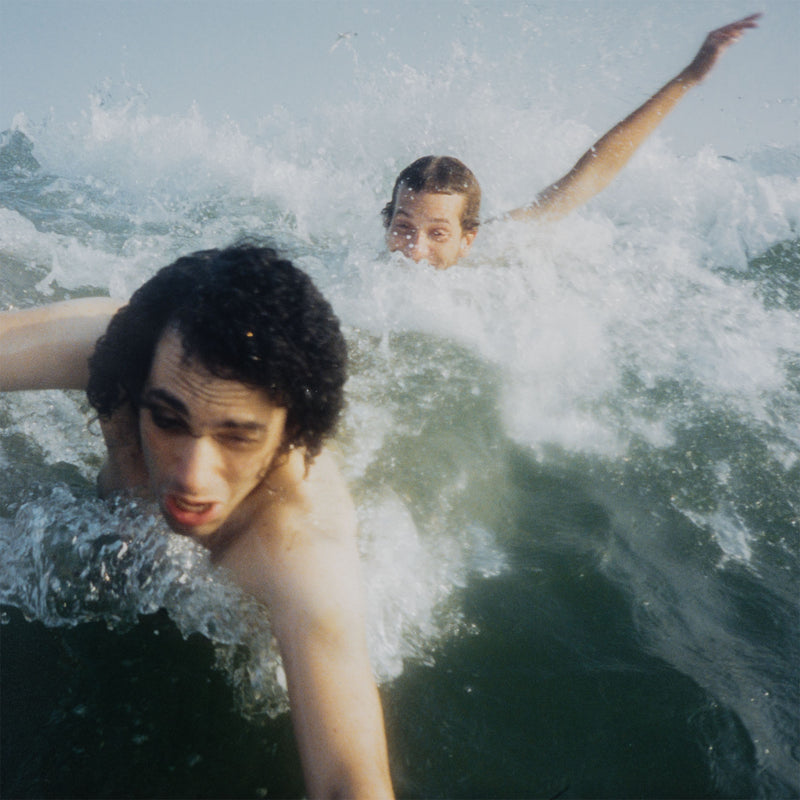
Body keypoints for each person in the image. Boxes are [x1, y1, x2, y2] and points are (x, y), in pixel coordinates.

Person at [0, 244, 394, 800]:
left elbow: (348, 783)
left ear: (289, 434)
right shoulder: (125, 357)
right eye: (166, 420)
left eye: (237, 436)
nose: (191, 475)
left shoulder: (302, 549)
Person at [383, 13, 761, 269]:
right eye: (403, 228)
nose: (416, 250)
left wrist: (689, 77)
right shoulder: (363, 279)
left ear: (468, 240)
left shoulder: (492, 252)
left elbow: (593, 173)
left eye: (438, 234)